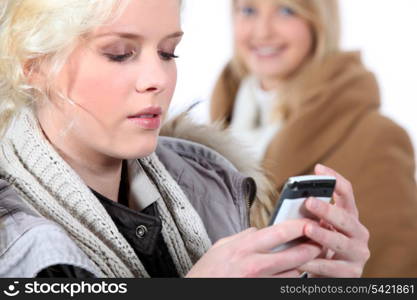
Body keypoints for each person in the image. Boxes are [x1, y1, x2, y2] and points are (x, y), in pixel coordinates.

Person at [0, 0, 369, 278]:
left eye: (167, 52)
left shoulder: (217, 186)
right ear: (34, 63)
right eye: (120, 54)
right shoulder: (13, 238)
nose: (157, 78)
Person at [210, 0, 417, 277]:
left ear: (319, 22)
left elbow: (397, 274)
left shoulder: (377, 138)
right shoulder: (213, 132)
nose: (262, 31)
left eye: (286, 10)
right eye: (248, 10)